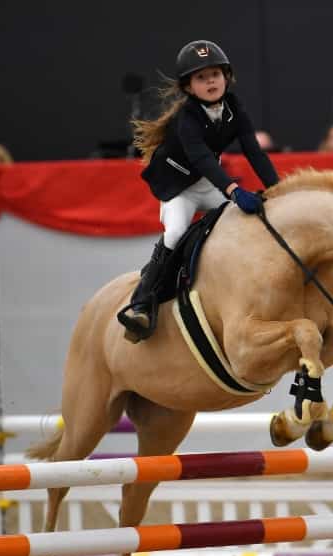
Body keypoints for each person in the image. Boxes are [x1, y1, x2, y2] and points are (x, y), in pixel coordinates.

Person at [118, 39, 279, 342]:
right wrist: (232, 190)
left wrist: (278, 188)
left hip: (208, 184)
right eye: (202, 78)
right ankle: (141, 302)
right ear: (189, 87)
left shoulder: (234, 107)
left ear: (226, 77)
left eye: (215, 75)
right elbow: (202, 158)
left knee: (247, 224)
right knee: (176, 232)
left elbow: (253, 151)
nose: (211, 82)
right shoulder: (187, 116)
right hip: (180, 188)